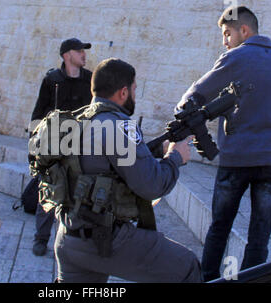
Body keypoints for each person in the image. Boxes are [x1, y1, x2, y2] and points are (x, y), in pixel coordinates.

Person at [176, 6, 271, 281]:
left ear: (243, 30)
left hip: (237, 158)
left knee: (219, 228)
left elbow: (192, 96)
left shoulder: (235, 57)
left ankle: (209, 278)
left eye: (227, 33)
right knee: (260, 236)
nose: (224, 41)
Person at [46, 58, 202, 282]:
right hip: (105, 239)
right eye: (134, 89)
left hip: (69, 238)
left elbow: (102, 164)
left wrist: (157, 150)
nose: (134, 95)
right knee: (187, 267)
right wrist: (176, 157)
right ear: (123, 92)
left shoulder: (79, 121)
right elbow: (152, 185)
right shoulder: (120, 126)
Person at [30, 38, 93, 256]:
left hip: (79, 148)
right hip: (53, 146)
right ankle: (40, 239)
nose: (84, 54)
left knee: (79, 197)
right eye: (79, 51)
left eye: (84, 51)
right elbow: (38, 112)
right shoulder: (52, 80)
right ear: (67, 55)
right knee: (48, 193)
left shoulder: (91, 80)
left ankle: (72, 243)